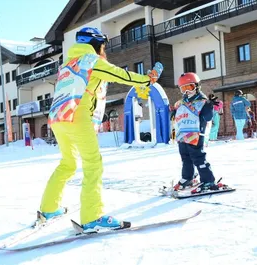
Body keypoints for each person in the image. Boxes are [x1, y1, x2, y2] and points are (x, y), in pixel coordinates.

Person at [38, 27, 163, 232]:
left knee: (68, 164)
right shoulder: (92, 60)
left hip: (59, 117)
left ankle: (49, 208)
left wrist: (142, 86)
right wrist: (146, 79)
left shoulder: (69, 63)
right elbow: (118, 74)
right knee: (93, 165)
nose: (104, 50)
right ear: (96, 44)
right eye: (103, 46)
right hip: (78, 117)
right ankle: (92, 217)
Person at [172, 72, 220, 191]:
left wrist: (209, 106)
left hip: (196, 133)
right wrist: (173, 112)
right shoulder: (181, 102)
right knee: (185, 157)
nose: (187, 91)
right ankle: (187, 177)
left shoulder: (202, 101)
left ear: (197, 86)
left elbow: (208, 118)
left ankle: (208, 180)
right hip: (183, 134)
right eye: (183, 89)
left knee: (197, 156)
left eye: (190, 87)